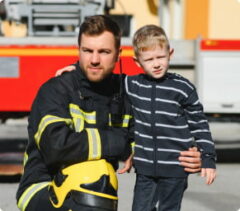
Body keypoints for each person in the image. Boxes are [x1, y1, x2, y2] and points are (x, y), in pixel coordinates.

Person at [16, 15, 202, 211]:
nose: (94, 60)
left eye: (104, 52)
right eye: (87, 51)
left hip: (92, 193)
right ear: (78, 50)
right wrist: (120, 143)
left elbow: (159, 127)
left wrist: (187, 153)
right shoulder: (56, 89)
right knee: (92, 176)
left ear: (118, 54)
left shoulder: (127, 91)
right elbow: (56, 147)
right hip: (42, 189)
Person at [124, 25, 217, 211]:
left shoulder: (183, 88)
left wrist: (208, 158)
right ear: (137, 62)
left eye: (161, 57)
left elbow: (199, 124)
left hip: (176, 168)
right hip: (145, 169)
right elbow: (102, 79)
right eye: (149, 59)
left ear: (170, 53)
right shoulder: (132, 84)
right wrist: (75, 69)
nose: (156, 63)